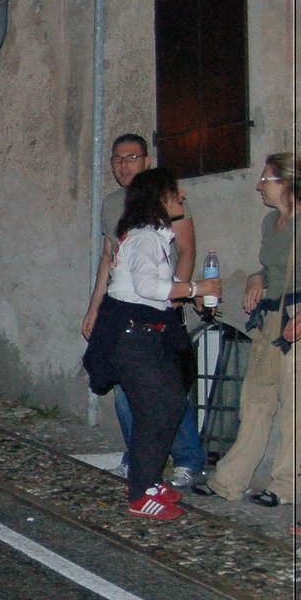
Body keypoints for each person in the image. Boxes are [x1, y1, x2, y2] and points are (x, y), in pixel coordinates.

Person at [83, 168, 222, 520]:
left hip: (145, 333)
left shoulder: (155, 237)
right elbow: (148, 288)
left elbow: (152, 291)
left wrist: (190, 295)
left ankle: (147, 479)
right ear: (160, 198)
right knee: (156, 408)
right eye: (176, 191)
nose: (183, 197)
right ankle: (141, 491)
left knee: (170, 404)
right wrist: (194, 290)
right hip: (130, 337)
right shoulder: (145, 237)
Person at [197, 154, 301, 508]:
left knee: (295, 407)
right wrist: (256, 277)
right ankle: (229, 481)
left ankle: (286, 486)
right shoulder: (271, 223)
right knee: (254, 401)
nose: (259, 186)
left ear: (284, 183)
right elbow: (272, 268)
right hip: (272, 320)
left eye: (265, 178)